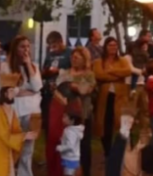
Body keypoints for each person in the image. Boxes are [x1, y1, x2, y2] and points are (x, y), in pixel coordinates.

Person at [0, 35, 43, 176]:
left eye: (28, 46)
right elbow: (4, 91)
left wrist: (28, 64)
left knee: (28, 150)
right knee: (12, 147)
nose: (26, 50)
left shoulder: (33, 66)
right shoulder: (6, 67)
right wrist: (23, 91)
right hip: (14, 111)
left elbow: (37, 87)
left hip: (32, 112)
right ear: (15, 48)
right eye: (22, 47)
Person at [0, 73, 40, 176]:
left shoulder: (12, 112)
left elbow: (16, 130)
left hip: (9, 154)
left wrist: (27, 134)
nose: (13, 94)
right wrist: (24, 136)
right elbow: (5, 136)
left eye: (13, 91)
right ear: (4, 93)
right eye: (11, 91)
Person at [57, 47, 96, 176]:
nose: (73, 59)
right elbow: (59, 88)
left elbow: (86, 90)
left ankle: (85, 173)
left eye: (77, 57)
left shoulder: (89, 74)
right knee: (68, 144)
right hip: (67, 114)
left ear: (84, 59)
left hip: (83, 114)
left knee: (84, 147)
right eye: (72, 57)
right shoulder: (66, 73)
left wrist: (72, 86)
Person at [94, 37, 133, 156]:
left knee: (121, 123)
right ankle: (108, 152)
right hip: (105, 98)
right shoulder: (99, 62)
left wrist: (111, 71)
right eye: (110, 45)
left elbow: (127, 71)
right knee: (105, 124)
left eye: (115, 45)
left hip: (120, 97)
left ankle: (122, 151)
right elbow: (99, 75)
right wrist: (117, 75)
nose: (113, 47)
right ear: (105, 47)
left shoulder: (122, 60)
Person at [57, 112, 84, 176]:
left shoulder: (70, 131)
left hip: (69, 158)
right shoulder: (76, 131)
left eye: (65, 117)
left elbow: (70, 146)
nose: (62, 119)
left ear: (72, 120)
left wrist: (60, 148)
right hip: (74, 158)